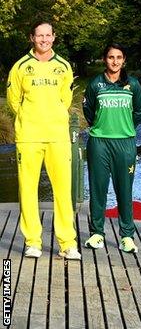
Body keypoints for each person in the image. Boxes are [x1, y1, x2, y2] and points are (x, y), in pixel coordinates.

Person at [6, 21, 81, 259]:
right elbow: (13, 100)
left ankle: (67, 243)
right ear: (32, 38)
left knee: (62, 190)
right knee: (28, 189)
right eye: (40, 36)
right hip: (29, 136)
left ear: (54, 37)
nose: (44, 40)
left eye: (48, 35)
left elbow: (65, 99)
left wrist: (53, 116)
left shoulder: (64, 66)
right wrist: (30, 119)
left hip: (57, 136)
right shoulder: (20, 67)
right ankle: (32, 242)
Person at [82, 43, 141, 253]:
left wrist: (126, 127)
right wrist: (102, 126)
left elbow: (140, 111)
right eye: (111, 57)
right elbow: (88, 111)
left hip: (125, 143)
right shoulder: (95, 84)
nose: (115, 61)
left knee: (124, 190)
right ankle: (97, 234)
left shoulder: (133, 84)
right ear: (105, 59)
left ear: (124, 60)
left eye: (119, 57)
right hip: (99, 142)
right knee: (98, 189)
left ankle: (127, 236)